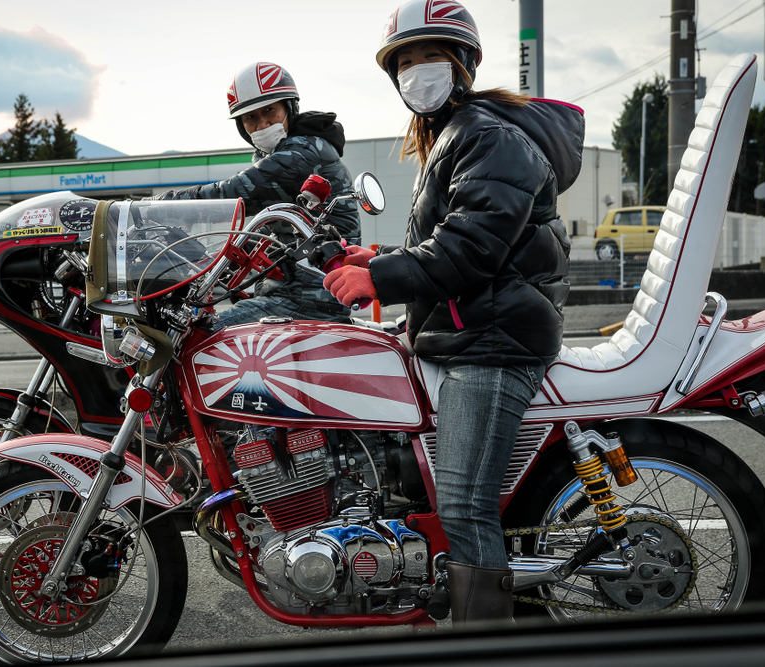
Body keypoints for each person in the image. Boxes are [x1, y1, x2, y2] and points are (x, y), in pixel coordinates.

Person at [324, 0, 584, 625]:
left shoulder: (489, 135)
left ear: (464, 62)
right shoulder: (457, 134)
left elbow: (471, 248)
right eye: (405, 62)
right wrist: (381, 255)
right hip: (471, 330)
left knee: (465, 505)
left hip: (494, 344)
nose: (417, 71)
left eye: (430, 56)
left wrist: (378, 277)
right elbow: (457, 237)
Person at [155, 61, 360, 330]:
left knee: (194, 336)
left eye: (270, 112)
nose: (262, 124)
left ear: (289, 108)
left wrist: (153, 206)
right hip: (292, 293)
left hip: (307, 301)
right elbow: (278, 234)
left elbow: (228, 195)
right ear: (241, 125)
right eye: (251, 117)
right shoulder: (287, 152)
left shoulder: (300, 153)